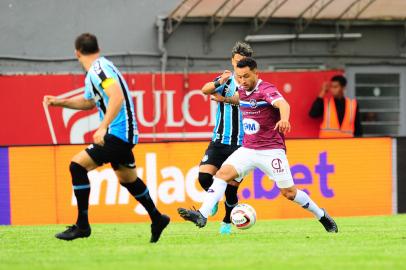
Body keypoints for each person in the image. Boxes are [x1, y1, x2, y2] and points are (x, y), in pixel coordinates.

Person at [177, 58, 338, 233]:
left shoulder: (266, 90)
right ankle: (202, 214)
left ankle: (321, 215)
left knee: (289, 193)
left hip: (271, 151)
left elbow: (283, 103)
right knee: (222, 174)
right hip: (248, 149)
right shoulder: (242, 88)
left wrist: (284, 119)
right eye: (239, 77)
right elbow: (241, 99)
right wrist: (224, 98)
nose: (242, 81)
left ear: (256, 73)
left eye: (246, 76)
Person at [43, 33, 170, 242]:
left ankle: (82, 226)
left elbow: (116, 96)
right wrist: (59, 102)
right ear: (97, 48)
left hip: (118, 133)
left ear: (77, 52)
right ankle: (157, 218)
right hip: (123, 133)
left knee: (77, 166)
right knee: (128, 179)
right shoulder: (99, 68)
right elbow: (88, 102)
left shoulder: (98, 71)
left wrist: (102, 127)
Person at [198, 42, 252, 234]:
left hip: (241, 144)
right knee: (204, 177)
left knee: (231, 189)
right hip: (220, 140)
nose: (238, 67)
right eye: (236, 62)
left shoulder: (251, 82)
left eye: (242, 63)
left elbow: (244, 99)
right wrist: (219, 82)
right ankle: (212, 202)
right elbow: (205, 90)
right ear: (232, 60)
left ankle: (227, 222)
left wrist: (225, 99)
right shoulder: (226, 80)